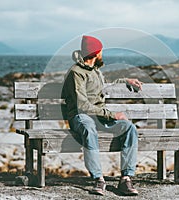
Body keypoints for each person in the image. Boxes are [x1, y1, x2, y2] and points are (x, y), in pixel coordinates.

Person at [62, 35, 142, 196]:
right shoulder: (76, 73)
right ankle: (98, 178)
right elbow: (82, 105)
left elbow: (105, 82)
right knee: (89, 129)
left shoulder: (95, 70)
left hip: (99, 117)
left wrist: (127, 80)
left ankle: (126, 178)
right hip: (80, 116)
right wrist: (112, 114)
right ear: (96, 53)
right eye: (101, 51)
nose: (102, 54)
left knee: (129, 128)